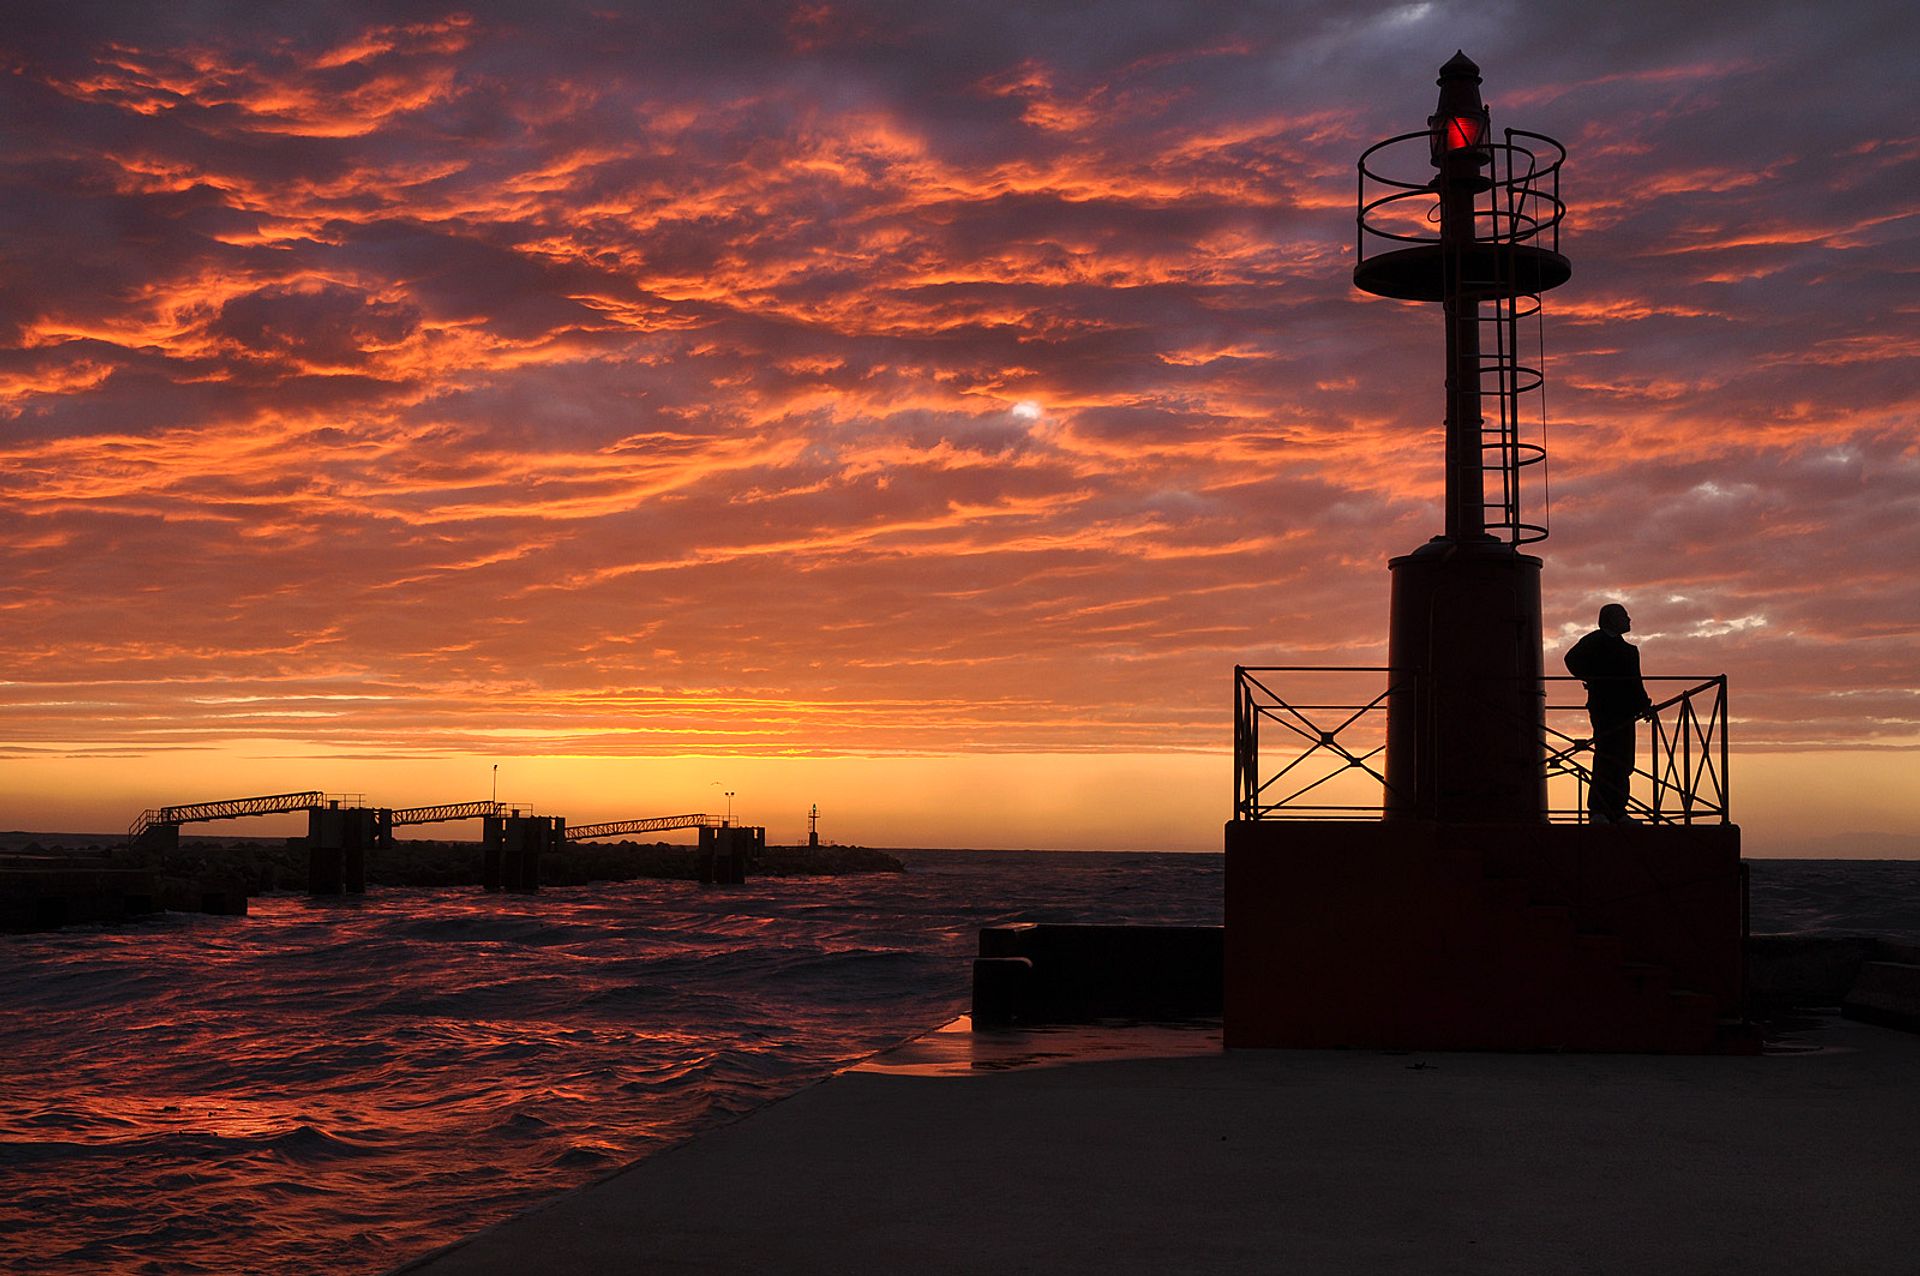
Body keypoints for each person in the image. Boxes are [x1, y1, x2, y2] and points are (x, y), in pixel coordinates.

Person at [1563, 603, 1653, 824]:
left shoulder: (1629, 651)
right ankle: (1598, 811)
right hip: (1604, 709)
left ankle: (1618, 810)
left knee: (1624, 760)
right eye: (1624, 615)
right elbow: (1571, 660)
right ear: (1611, 619)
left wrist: (1644, 705)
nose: (1629, 619)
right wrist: (1592, 679)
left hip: (1625, 711)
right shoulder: (1593, 642)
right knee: (1605, 757)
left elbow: (1635, 682)